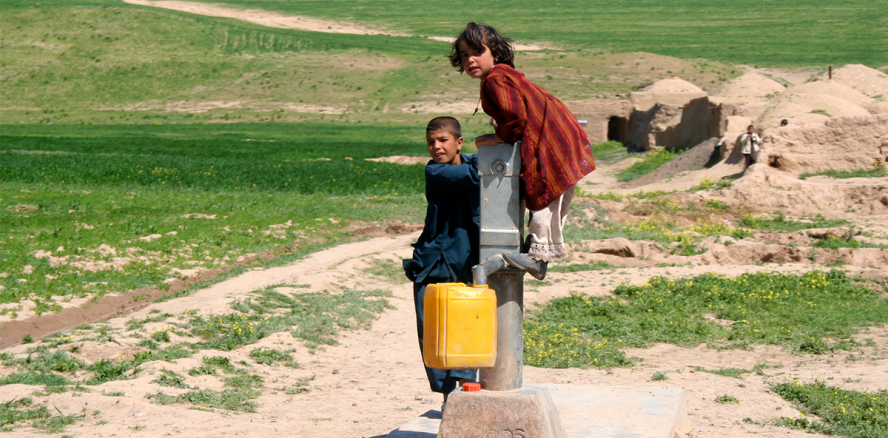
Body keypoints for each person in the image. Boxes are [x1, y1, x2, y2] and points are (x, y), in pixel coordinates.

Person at [449, 22, 596, 280]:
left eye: (477, 52)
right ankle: (540, 248)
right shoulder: (506, 75)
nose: (470, 60)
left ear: (495, 52)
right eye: (464, 55)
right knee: (551, 196)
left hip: (548, 140)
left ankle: (538, 257)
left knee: (541, 190)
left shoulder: (495, 79)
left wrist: (497, 137)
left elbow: (516, 115)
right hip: (562, 137)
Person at [403, 116, 479, 402]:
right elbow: (478, 173)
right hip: (435, 260)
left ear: (459, 142)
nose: (436, 147)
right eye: (430, 142)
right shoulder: (435, 171)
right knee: (433, 326)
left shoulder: (469, 162)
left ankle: (466, 389)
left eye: (443, 140)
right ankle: (448, 395)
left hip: (467, 259)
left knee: (467, 322)